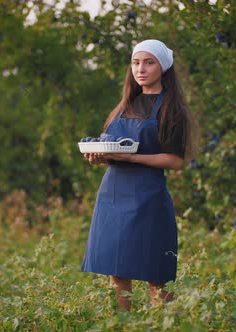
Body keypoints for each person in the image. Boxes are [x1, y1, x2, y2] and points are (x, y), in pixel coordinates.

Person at [81, 39, 197, 311]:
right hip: (112, 194)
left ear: (163, 67)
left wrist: (132, 157)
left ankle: (166, 325)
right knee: (117, 270)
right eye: (136, 62)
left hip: (148, 197)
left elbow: (176, 161)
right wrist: (100, 157)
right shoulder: (124, 106)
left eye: (149, 62)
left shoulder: (172, 109)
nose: (140, 69)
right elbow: (113, 150)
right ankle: (123, 324)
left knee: (155, 272)